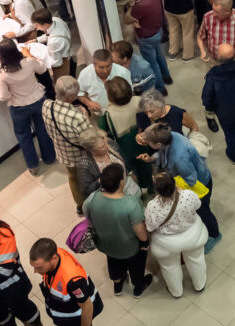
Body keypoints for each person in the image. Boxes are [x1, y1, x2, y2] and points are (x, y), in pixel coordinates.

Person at [141, 126, 222, 252]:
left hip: (200, 184)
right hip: (193, 174)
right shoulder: (170, 135)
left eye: (149, 143)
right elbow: (163, 152)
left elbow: (191, 180)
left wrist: (166, 181)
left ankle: (214, 235)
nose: (147, 144)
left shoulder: (180, 159)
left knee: (204, 212)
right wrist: (152, 159)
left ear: (158, 143)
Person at [83, 164, 153, 298]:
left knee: (113, 262)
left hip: (106, 244)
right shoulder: (130, 204)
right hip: (130, 247)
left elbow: (87, 215)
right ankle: (138, 286)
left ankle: (118, 284)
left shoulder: (92, 198)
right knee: (136, 266)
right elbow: (139, 230)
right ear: (121, 182)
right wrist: (145, 243)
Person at [29, 239, 105, 326]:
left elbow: (87, 307)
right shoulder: (55, 254)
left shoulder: (72, 281)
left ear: (53, 258)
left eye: (39, 267)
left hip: (78, 320)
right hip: (70, 316)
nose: (35, 271)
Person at [0, 39, 56, 176]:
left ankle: (33, 165)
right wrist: (29, 55)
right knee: (43, 130)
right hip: (38, 100)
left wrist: (11, 94)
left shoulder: (2, 74)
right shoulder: (28, 63)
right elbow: (42, 68)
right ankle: (49, 157)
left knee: (24, 136)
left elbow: (3, 96)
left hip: (18, 107)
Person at [145, 172, 208, 298]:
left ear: (157, 189)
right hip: (193, 235)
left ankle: (176, 292)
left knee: (170, 267)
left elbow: (150, 226)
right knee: (196, 260)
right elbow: (198, 205)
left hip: (166, 243)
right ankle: (199, 285)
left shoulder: (152, 206)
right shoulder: (188, 195)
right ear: (175, 183)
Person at [42, 76, 90, 214]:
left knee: (73, 178)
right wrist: (86, 117)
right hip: (81, 156)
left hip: (62, 152)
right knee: (86, 179)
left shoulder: (46, 105)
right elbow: (88, 138)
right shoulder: (78, 117)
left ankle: (80, 206)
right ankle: (89, 205)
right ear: (71, 97)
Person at [76, 128, 141, 199]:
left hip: (127, 186)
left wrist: (131, 172)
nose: (107, 146)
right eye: (102, 146)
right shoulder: (84, 165)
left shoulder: (111, 144)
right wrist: (101, 180)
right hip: (110, 198)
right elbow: (86, 192)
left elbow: (125, 159)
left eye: (106, 141)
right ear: (91, 150)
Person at [77, 49, 131, 115]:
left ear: (112, 63)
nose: (105, 71)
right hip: (97, 114)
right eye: (101, 67)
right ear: (94, 65)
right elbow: (79, 93)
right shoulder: (85, 74)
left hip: (120, 113)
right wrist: (89, 103)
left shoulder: (123, 73)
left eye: (108, 66)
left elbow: (129, 94)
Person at [31, 8, 72, 79]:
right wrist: (36, 40)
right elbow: (50, 34)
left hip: (62, 62)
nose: (36, 28)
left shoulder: (53, 42)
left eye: (37, 26)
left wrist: (39, 60)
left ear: (45, 25)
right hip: (66, 50)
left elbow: (57, 63)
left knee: (61, 82)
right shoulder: (56, 19)